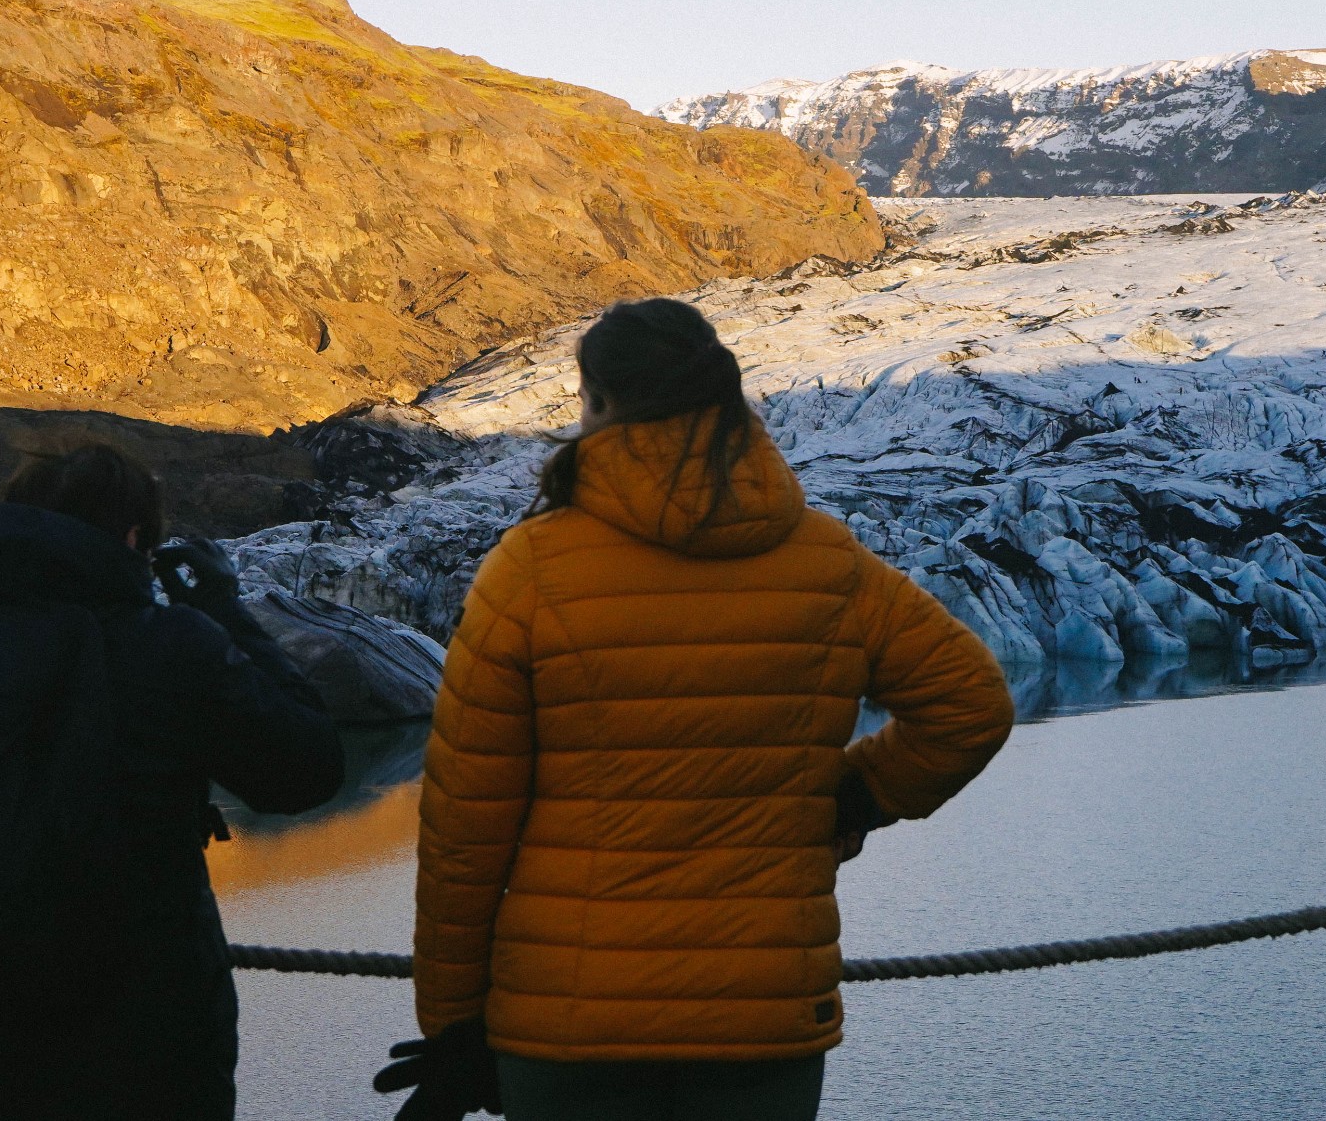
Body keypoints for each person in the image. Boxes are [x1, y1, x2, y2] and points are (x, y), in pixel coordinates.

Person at [382, 299, 1014, 1121]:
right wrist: (853, 796)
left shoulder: (530, 572)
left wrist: (453, 1024)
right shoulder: (827, 563)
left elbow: (466, 829)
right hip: (761, 1016)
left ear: (600, 402)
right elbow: (971, 703)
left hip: (573, 1018)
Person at [0, 439, 345, 1120]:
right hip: (142, 1047)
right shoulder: (171, 644)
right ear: (134, 538)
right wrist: (224, 608)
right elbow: (308, 768)